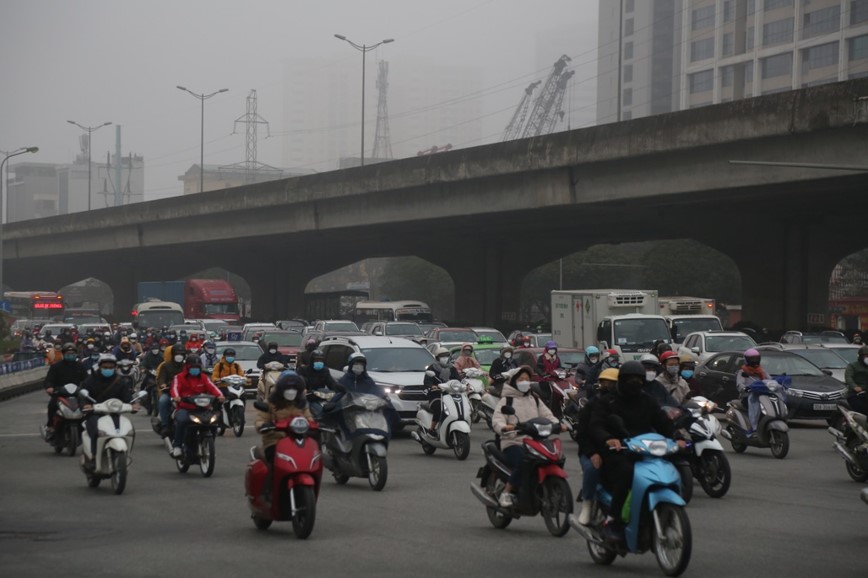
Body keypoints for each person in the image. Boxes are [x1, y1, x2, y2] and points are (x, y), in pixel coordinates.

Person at [589, 361, 682, 542]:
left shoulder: (647, 400)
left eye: (638, 379)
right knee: (626, 472)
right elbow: (596, 425)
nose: (635, 383)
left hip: (645, 449)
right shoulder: (608, 401)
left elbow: (662, 422)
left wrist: (678, 437)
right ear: (621, 380)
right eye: (630, 379)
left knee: (669, 466)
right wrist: (608, 438)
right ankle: (613, 520)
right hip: (618, 450)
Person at [491, 365, 564, 508]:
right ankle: (507, 492)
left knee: (556, 457)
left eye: (527, 379)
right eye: (521, 379)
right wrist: (504, 427)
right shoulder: (507, 400)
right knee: (523, 461)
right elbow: (497, 419)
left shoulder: (534, 399)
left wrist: (558, 424)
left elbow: (547, 415)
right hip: (513, 441)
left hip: (535, 441)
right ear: (513, 381)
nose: (525, 382)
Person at [576, 367, 619, 525]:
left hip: (617, 449)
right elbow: (582, 434)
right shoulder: (591, 406)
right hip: (592, 451)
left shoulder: (623, 404)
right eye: (605, 383)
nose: (608, 386)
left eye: (612, 383)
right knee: (592, 468)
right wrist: (592, 453)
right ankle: (587, 502)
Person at [80, 354, 135, 460]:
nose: (108, 369)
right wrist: (85, 405)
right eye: (105, 367)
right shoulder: (90, 380)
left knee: (130, 430)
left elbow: (127, 397)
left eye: (111, 367)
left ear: (115, 367)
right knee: (96, 429)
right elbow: (82, 395)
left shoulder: (120, 381)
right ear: (100, 367)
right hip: (95, 414)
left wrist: (133, 404)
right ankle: (94, 455)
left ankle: (126, 455)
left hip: (115, 413)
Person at [169, 355, 224, 457]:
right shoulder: (179, 377)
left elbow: (212, 387)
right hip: (185, 407)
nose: (195, 369)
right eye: (193, 367)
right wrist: (176, 397)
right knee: (182, 420)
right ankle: (177, 446)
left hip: (202, 408)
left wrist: (220, 395)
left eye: (197, 367)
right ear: (187, 367)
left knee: (213, 422)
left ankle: (210, 446)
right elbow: (175, 388)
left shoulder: (204, 377)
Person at [255, 371, 313, 465]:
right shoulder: (270, 403)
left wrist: (313, 425)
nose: (291, 390)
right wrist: (265, 426)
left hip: (299, 440)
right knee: (274, 463)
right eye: (288, 387)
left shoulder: (301, 404)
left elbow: (309, 418)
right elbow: (260, 420)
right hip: (275, 441)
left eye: (294, 387)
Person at [41, 343, 88, 440]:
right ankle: (50, 427)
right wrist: (50, 387)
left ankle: (87, 426)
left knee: (87, 407)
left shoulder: (80, 366)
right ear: (63, 354)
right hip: (60, 394)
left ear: (76, 354)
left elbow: (87, 380)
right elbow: (49, 380)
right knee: (52, 405)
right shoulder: (56, 367)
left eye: (72, 353)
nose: (70, 355)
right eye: (68, 353)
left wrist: (87, 388)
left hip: (77, 394)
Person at [424, 346, 461, 437]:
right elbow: (427, 381)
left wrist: (463, 385)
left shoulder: (452, 368)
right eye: (442, 356)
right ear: (437, 358)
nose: (445, 358)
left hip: (450, 394)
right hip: (436, 395)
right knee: (439, 408)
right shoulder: (432, 368)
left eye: (447, 356)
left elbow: (458, 380)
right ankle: (431, 429)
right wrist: (433, 386)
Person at [735, 348, 773, 435]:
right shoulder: (742, 372)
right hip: (747, 396)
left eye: (756, 359)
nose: (754, 361)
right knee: (753, 404)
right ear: (746, 360)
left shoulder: (762, 371)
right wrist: (745, 388)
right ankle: (753, 426)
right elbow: (739, 384)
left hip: (762, 395)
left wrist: (775, 383)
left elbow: (769, 380)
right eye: (752, 359)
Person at [156, 344, 189, 437]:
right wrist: (163, 384)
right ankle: (165, 425)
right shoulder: (165, 366)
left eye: (181, 354)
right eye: (177, 354)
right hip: (169, 392)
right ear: (173, 354)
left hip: (185, 392)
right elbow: (161, 378)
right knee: (163, 401)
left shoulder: (188, 366)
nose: (179, 356)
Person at [298, 349, 343, 417]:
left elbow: (331, 383)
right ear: (312, 361)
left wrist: (339, 390)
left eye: (321, 360)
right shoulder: (303, 370)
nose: (319, 362)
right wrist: (306, 390)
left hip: (322, 395)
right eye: (316, 360)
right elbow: (299, 384)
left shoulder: (325, 370)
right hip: (308, 396)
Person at [843, 345, 868, 415]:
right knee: (862, 408)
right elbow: (848, 377)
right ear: (861, 356)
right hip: (856, 394)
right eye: (866, 356)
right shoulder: (853, 366)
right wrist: (855, 387)